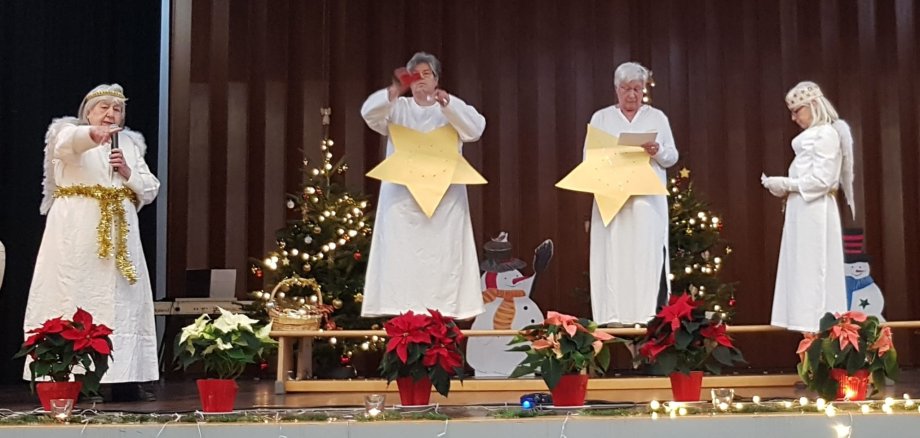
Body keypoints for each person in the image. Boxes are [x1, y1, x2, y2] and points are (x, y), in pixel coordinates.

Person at [23, 84, 160, 401]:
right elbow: (67, 145)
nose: (111, 114)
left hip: (121, 233)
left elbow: (150, 187)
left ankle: (126, 379)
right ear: (88, 112)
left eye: (117, 109)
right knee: (77, 297)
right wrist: (92, 135)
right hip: (79, 232)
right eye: (104, 107)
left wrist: (127, 171)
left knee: (124, 304)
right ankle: (73, 378)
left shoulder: (129, 144)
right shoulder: (67, 132)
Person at [360, 52, 486, 319]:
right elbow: (369, 114)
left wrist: (449, 104)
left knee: (445, 261)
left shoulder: (449, 108)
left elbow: (475, 129)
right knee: (402, 261)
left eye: (427, 74)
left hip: (444, 202)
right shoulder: (398, 108)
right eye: (415, 75)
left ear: (437, 79)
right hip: (402, 203)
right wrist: (394, 91)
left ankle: (445, 314)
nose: (421, 80)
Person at [588, 62, 679, 326]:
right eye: (626, 89)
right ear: (616, 89)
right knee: (614, 256)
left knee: (645, 256)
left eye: (637, 89)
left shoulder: (657, 117)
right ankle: (613, 317)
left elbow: (671, 156)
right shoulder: (601, 118)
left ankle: (647, 315)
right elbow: (589, 158)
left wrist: (657, 151)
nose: (632, 95)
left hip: (646, 203)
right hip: (613, 201)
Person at [762, 81, 855, 332]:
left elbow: (822, 181)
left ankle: (815, 325)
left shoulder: (825, 134)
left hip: (815, 213)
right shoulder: (811, 138)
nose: (793, 118)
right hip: (802, 210)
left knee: (814, 268)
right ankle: (805, 326)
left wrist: (787, 184)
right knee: (800, 268)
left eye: (797, 111)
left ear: (813, 105)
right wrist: (786, 188)